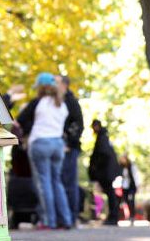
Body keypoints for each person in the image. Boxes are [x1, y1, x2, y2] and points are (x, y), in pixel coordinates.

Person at [16, 73, 72, 230]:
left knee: (44, 183)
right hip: (57, 144)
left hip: (40, 143)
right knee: (57, 182)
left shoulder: (37, 103)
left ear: (41, 88)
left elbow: (20, 120)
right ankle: (66, 219)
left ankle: (49, 221)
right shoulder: (62, 104)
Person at [56, 74, 84, 226]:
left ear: (64, 85)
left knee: (69, 183)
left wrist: (69, 142)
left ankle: (72, 217)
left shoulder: (71, 102)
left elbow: (79, 124)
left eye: (57, 82)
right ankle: (62, 217)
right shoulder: (55, 101)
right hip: (57, 147)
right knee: (59, 182)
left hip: (69, 148)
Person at [88, 119, 121, 226]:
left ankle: (113, 216)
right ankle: (113, 215)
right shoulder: (103, 137)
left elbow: (103, 154)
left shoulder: (102, 138)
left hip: (106, 172)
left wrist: (96, 167)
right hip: (107, 171)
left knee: (110, 193)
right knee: (110, 193)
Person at [119, 154, 139, 225]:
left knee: (131, 201)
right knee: (126, 201)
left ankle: (132, 216)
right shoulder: (121, 167)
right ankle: (130, 215)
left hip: (131, 186)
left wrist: (137, 185)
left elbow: (136, 176)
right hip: (125, 187)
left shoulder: (132, 166)